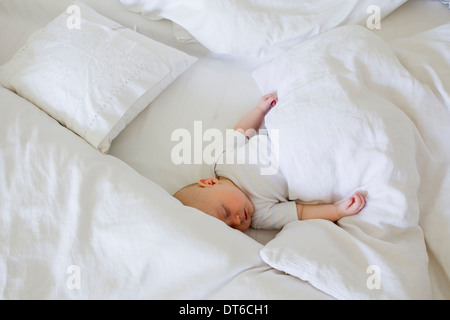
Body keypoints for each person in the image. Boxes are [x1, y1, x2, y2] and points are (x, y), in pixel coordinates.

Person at [173, 94, 365, 232]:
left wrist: (259, 110)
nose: (238, 219)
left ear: (210, 182)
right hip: (305, 164)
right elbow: (302, 212)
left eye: (226, 212)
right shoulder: (261, 216)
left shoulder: (223, 161)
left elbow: (241, 131)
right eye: (232, 227)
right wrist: (337, 211)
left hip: (285, 135)